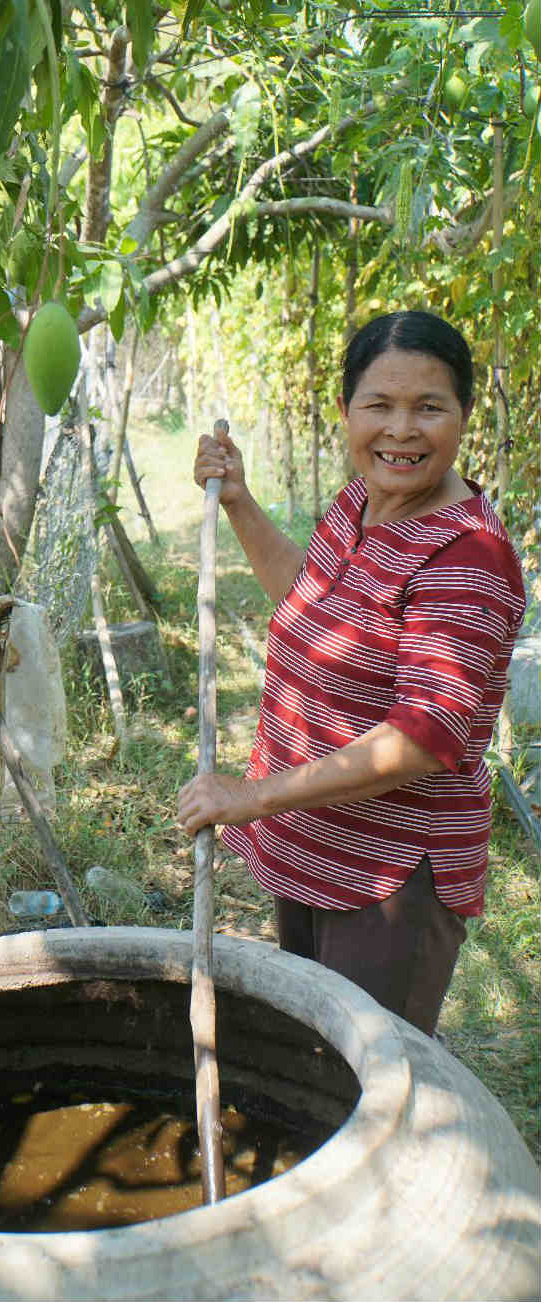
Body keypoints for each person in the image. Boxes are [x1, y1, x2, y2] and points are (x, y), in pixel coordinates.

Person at [177, 310, 525, 1036]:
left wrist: (253, 796)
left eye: (429, 407)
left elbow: (422, 738)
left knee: (371, 1079)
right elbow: (311, 603)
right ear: (345, 411)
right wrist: (239, 502)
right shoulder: (362, 503)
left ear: (463, 415)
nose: (402, 430)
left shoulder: (467, 558)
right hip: (316, 849)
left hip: (388, 884)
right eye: (379, 405)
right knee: (313, 1051)